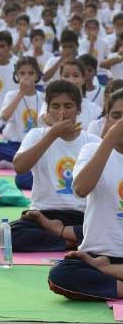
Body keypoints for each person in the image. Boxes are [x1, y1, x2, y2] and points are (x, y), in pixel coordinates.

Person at [48, 88, 123, 300]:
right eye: (116, 116)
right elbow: (80, 189)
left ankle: (108, 273)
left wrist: (107, 270)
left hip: (105, 268)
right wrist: (110, 139)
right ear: (106, 120)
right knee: (61, 274)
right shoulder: (92, 149)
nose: (121, 122)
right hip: (96, 255)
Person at [9, 80, 100, 252]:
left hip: (80, 215)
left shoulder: (92, 141)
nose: (62, 112)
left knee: (108, 230)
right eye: (56, 106)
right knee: (8, 235)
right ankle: (67, 242)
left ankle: (60, 236)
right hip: (42, 214)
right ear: (48, 109)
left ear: (78, 109)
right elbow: (19, 167)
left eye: (68, 106)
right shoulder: (37, 135)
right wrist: (52, 135)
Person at [0, 56, 43, 188]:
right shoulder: (11, 95)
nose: (26, 77)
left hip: (35, 148)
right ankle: (18, 163)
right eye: (22, 73)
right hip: (15, 147)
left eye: (30, 73)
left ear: (37, 75)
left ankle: (15, 164)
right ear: (16, 76)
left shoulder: (43, 97)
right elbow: (4, 117)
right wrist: (21, 93)